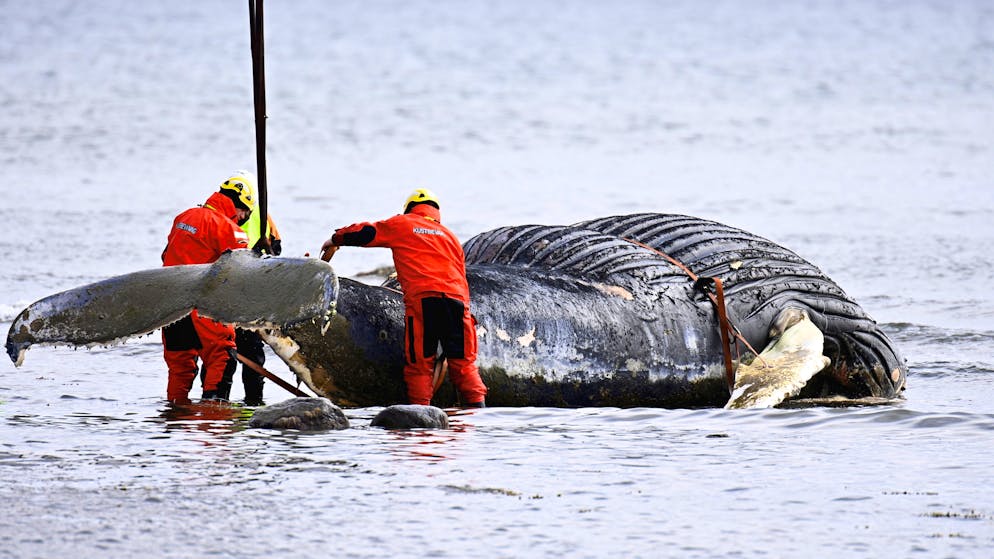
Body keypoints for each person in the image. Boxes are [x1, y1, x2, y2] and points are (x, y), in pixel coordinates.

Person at [320, 188, 487, 407]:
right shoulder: (449, 236)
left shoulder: (403, 224)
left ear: (410, 209)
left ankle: (419, 419)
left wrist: (335, 239)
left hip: (424, 301)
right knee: (464, 365)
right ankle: (478, 418)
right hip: (457, 303)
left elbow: (367, 233)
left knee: (420, 364)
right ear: (436, 212)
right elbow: (460, 275)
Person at [160, 171, 254, 403]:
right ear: (241, 207)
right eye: (245, 214)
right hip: (202, 305)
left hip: (170, 305)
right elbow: (241, 271)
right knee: (222, 357)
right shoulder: (229, 229)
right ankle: (213, 419)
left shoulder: (184, 216)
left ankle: (176, 415)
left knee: (180, 366)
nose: (243, 219)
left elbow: (166, 254)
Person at [236, 207, 282, 406]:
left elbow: (275, 250)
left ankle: (251, 403)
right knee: (231, 355)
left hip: (244, 297)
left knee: (239, 355)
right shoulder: (260, 215)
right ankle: (249, 403)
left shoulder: (262, 218)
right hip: (240, 297)